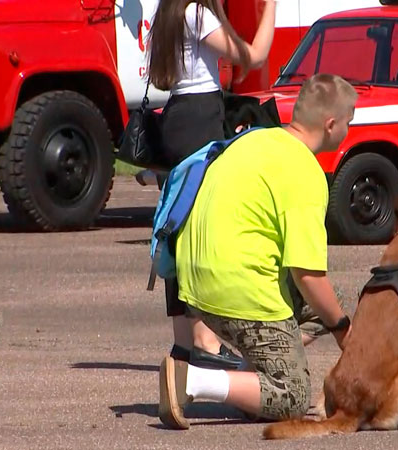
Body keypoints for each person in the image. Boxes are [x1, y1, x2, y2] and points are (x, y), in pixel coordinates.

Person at [158, 74, 357, 427]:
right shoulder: (305, 172)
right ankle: (190, 382)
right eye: (348, 122)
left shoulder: (253, 140)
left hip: (193, 285)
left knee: (332, 300)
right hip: (237, 289)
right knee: (294, 394)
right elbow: (307, 275)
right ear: (331, 125)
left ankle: (255, 380)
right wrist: (346, 333)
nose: (348, 129)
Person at [146, 0, 276, 414]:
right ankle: (202, 341)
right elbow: (253, 56)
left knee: (180, 227)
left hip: (178, 118)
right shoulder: (196, 14)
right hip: (201, 118)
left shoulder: (168, 15)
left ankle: (184, 343)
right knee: (197, 227)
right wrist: (270, 6)